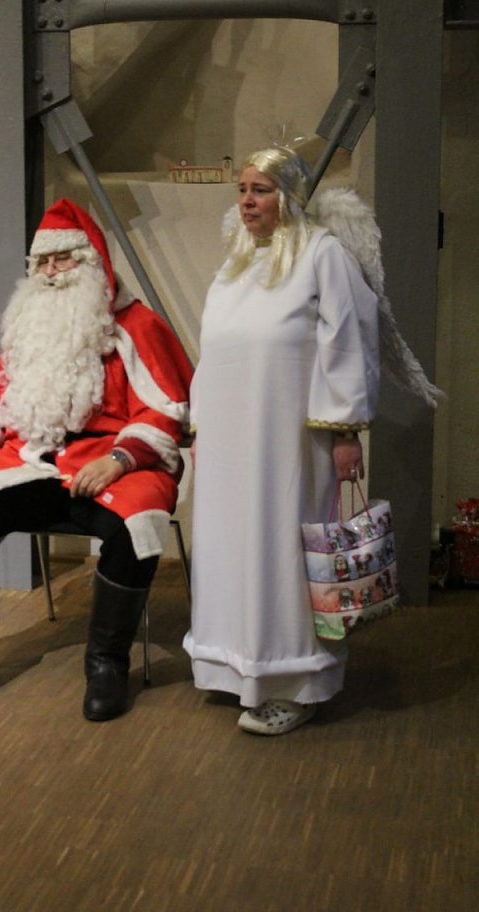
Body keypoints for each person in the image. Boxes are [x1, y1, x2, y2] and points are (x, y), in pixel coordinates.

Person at [0, 198, 192, 721]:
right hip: (29, 460)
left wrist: (121, 458)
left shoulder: (138, 325)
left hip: (113, 463)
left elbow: (168, 408)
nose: (51, 272)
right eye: (42, 262)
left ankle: (106, 662)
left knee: (137, 523)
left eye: (63, 259)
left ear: (92, 263)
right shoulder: (29, 325)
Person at [183, 146, 381, 736]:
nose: (247, 201)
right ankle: (239, 665)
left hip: (290, 442)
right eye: (242, 190)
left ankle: (297, 683)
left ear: (289, 196)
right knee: (231, 549)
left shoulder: (322, 254)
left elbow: (349, 341)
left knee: (285, 552)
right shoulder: (236, 263)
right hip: (231, 444)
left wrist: (344, 430)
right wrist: (202, 425)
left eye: (261, 190)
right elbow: (214, 352)